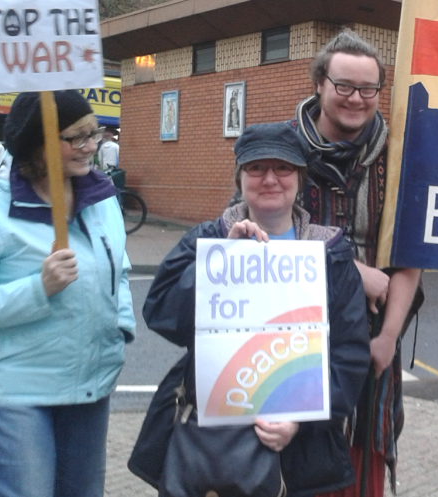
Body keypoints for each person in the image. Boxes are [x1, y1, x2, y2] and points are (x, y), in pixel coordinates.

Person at [135, 121, 371, 494]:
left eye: (283, 168)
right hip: (211, 447)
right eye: (256, 168)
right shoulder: (208, 240)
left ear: (300, 178)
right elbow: (162, 314)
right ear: (240, 178)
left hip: (296, 455)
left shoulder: (331, 254)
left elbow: (350, 353)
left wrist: (301, 421)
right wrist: (220, 264)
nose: (270, 179)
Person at [0, 90, 135, 497]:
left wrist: (121, 324)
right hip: (14, 392)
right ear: (37, 145)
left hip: (89, 383)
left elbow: (121, 270)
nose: (91, 147)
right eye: (75, 137)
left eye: (93, 134)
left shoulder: (101, 197)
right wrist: (38, 289)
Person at [295, 29, 422, 496]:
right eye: (343, 85)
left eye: (368, 89)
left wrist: (388, 339)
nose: (356, 98)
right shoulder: (280, 153)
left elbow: (411, 256)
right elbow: (247, 239)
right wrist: (345, 268)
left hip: (371, 351)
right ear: (319, 83)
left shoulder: (399, 160)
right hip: (292, 343)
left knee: (358, 480)